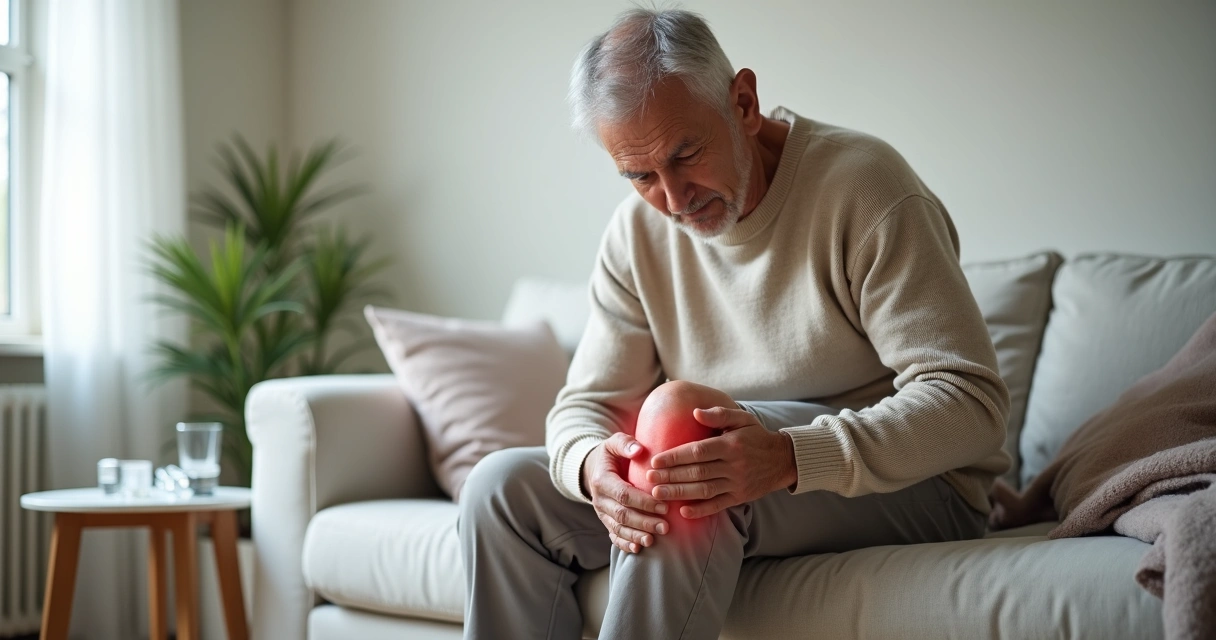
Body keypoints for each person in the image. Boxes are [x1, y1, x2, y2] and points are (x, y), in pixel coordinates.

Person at [459, 8, 1011, 639]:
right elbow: (585, 405)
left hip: (915, 487)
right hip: (731, 477)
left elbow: (971, 404)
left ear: (743, 102)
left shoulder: (865, 188)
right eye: (640, 175)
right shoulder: (636, 235)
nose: (673, 198)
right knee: (499, 490)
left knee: (678, 425)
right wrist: (591, 468)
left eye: (685, 153)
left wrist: (787, 456)